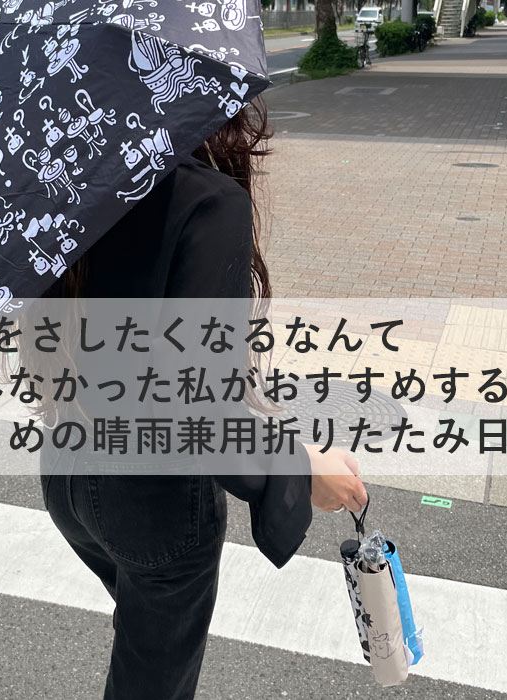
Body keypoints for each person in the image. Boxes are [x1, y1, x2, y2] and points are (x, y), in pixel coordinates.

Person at [28, 96, 369, 700]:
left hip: (67, 463)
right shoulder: (205, 199)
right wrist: (303, 467)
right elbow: (195, 403)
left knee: (144, 646)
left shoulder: (74, 176)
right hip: (151, 501)